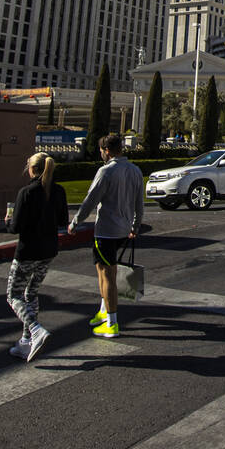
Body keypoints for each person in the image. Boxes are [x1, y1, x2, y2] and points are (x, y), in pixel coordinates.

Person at [68, 133, 144, 339]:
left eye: (101, 151)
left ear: (107, 151)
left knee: (107, 275)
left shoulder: (106, 171)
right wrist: (135, 226)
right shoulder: (135, 171)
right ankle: (104, 310)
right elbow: (139, 203)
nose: (101, 154)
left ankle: (112, 322)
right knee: (102, 269)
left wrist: (75, 223)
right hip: (124, 229)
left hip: (107, 231)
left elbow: (90, 200)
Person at [5, 152, 68, 361]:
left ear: (32, 169)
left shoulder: (27, 192)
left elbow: (16, 227)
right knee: (31, 293)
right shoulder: (58, 191)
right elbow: (62, 220)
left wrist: (7, 220)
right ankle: (26, 341)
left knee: (13, 295)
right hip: (48, 250)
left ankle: (34, 329)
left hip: (28, 251)